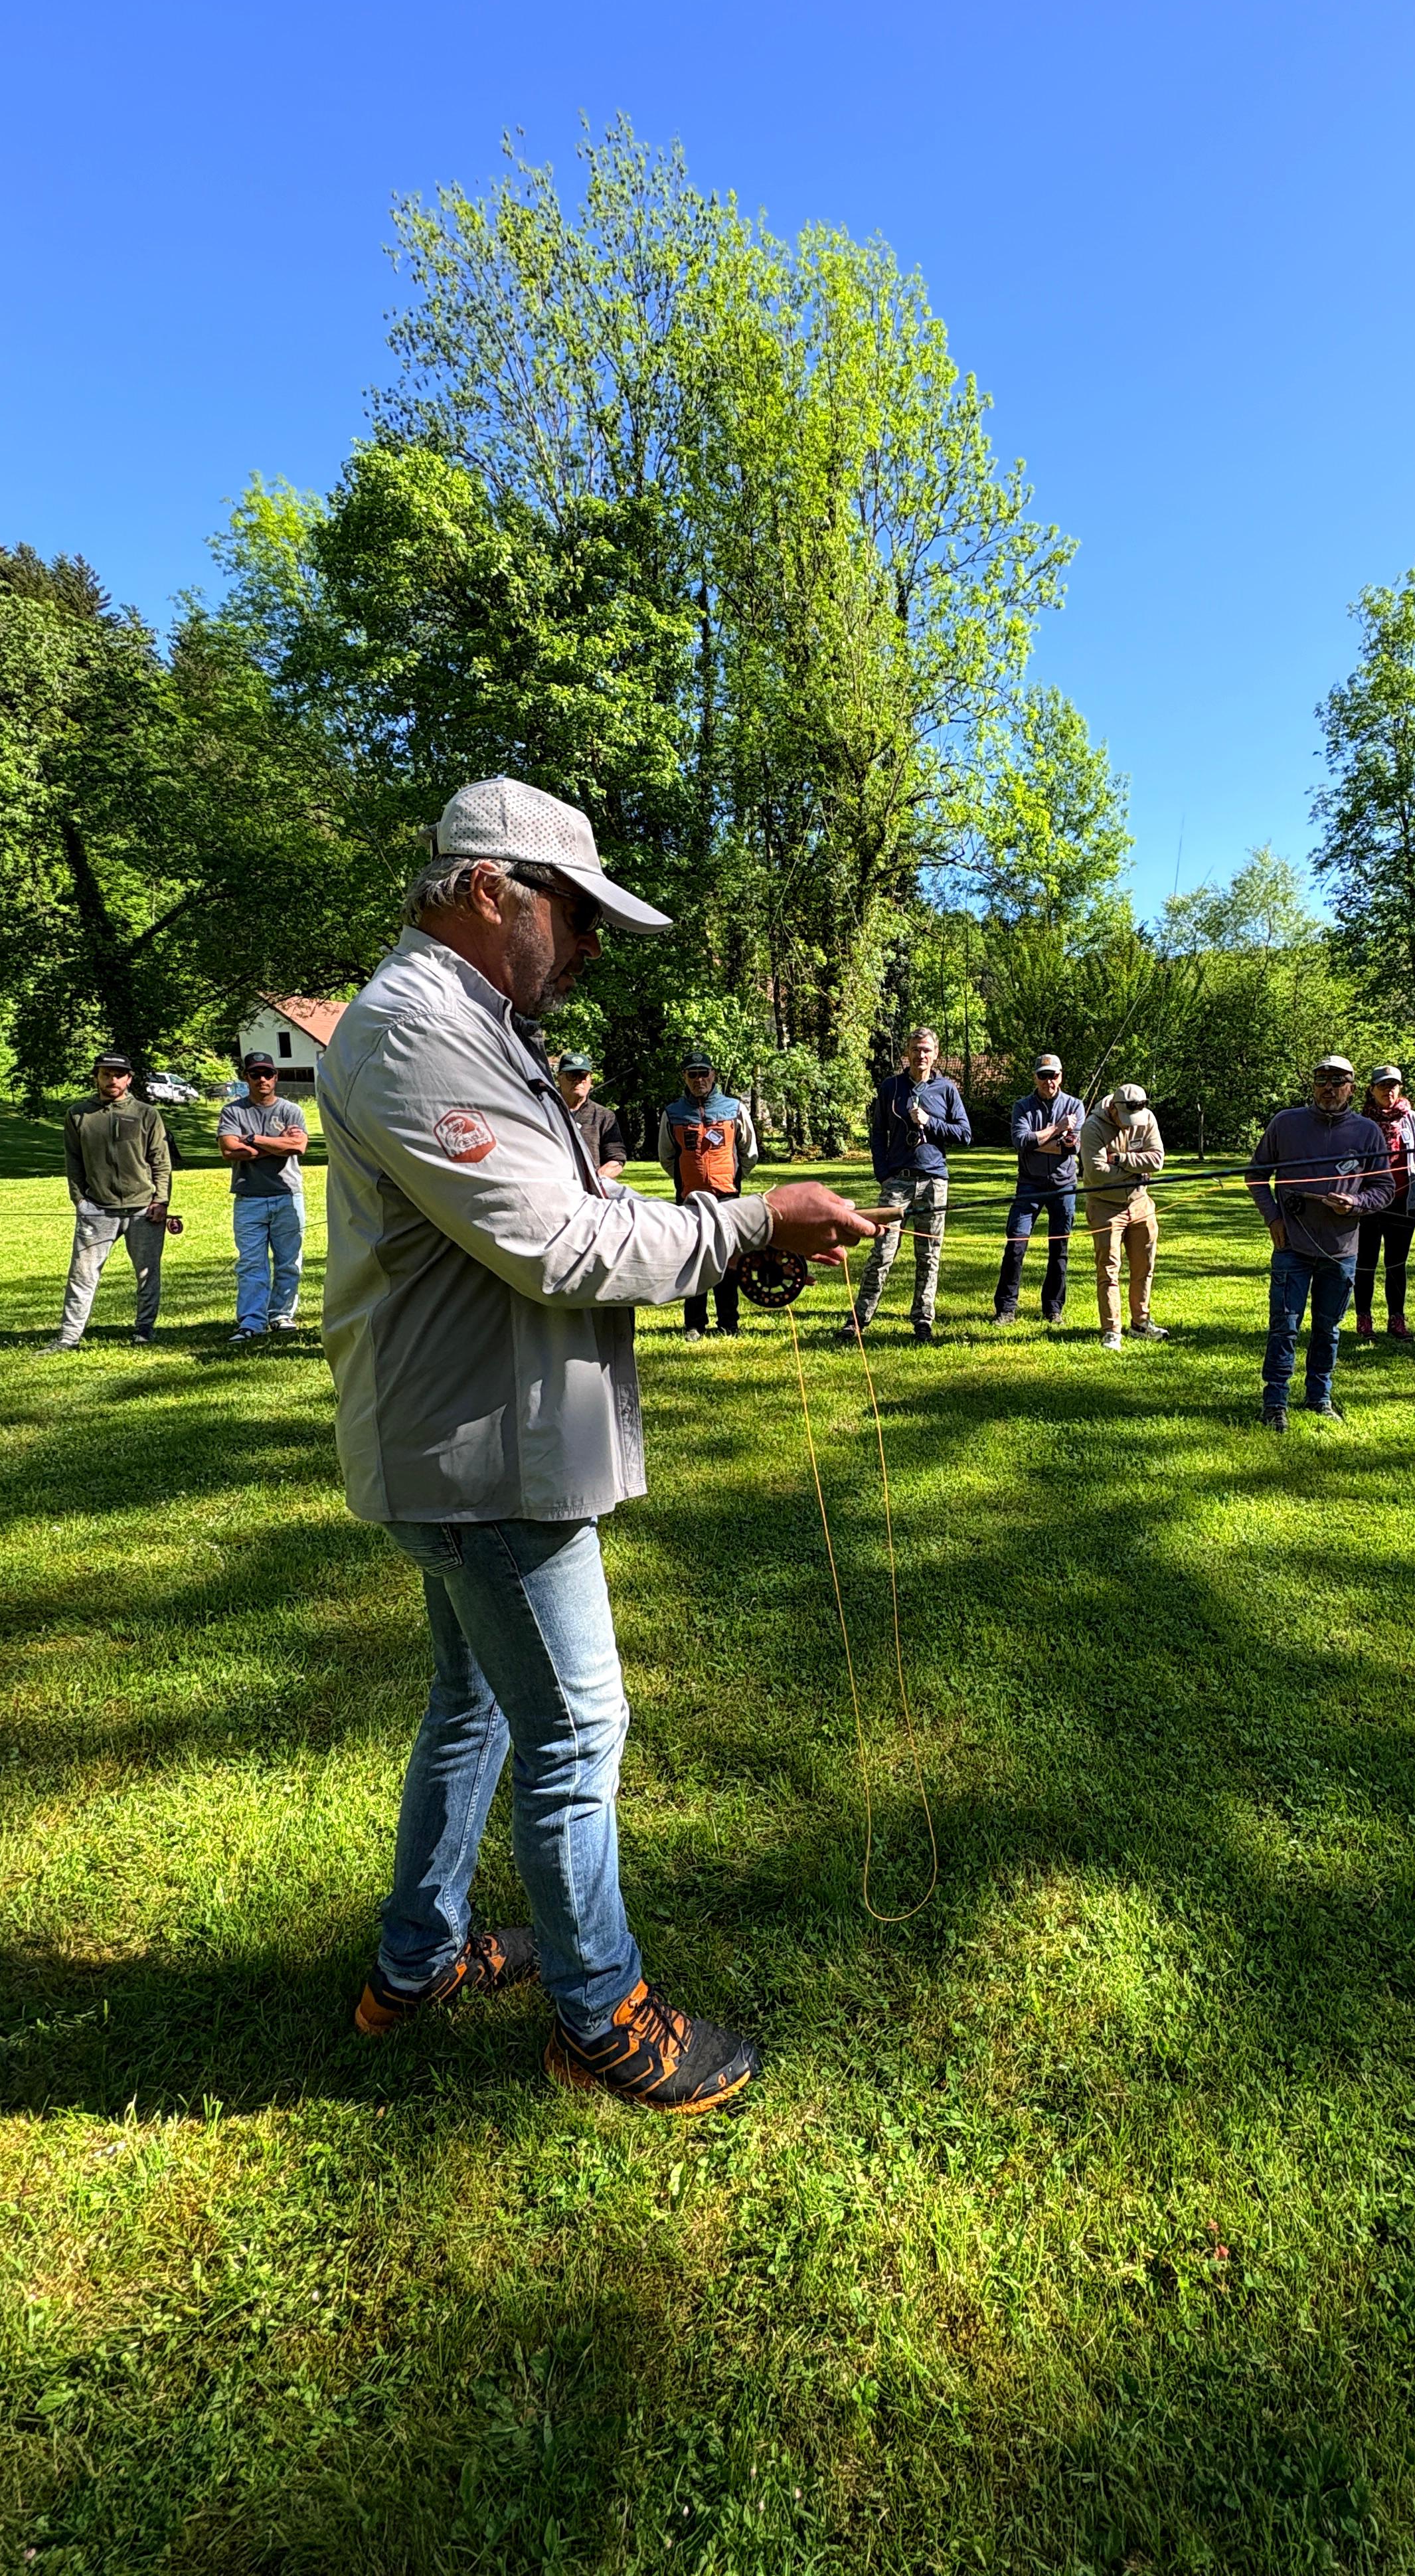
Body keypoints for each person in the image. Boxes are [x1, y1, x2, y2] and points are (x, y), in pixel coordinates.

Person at [318, 774, 874, 2115]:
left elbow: (563, 1201)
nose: (584, 950)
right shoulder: (413, 1032)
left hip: (484, 1439)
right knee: (575, 1730)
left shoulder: (472, 1026)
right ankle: (603, 2018)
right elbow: (556, 1245)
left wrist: (723, 1241)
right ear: (487, 888)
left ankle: (418, 1962)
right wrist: (744, 1229)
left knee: (476, 1707)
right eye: (574, 917)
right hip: (477, 1453)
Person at [1247, 1055, 1393, 1425]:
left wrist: (1356, 1203)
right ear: (1313, 1086)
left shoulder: (1366, 1132)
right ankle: (1275, 1404)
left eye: (1338, 1081)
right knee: (1285, 1325)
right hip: (1292, 1246)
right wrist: (1273, 1217)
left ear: (1352, 1088)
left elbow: (1384, 1188)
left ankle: (1319, 1398)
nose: (1329, 1088)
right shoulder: (1286, 1123)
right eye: (1322, 1081)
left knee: (1328, 1329)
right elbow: (1256, 1176)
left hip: (1342, 1249)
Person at [844, 1026, 971, 1344]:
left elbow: (965, 1135)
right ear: (907, 1053)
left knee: (929, 1255)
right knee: (882, 1252)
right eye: (915, 1049)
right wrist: (883, 1174)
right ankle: (859, 1319)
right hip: (897, 1182)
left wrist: (931, 1122)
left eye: (927, 1050)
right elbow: (877, 1134)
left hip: (933, 1181)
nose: (921, 1055)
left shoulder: (946, 1090)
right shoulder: (891, 1088)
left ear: (936, 1054)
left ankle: (922, 1321)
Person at [39, 1053, 173, 1352]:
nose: (112, 1080)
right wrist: (80, 1199)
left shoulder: (146, 1114)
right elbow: (72, 1160)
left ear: (129, 1079)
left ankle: (145, 1330)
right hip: (97, 1210)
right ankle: (68, 1338)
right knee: (82, 1275)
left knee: (147, 1273)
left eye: (118, 1075)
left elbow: (161, 1162)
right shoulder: (78, 1115)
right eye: (106, 1074)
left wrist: (161, 1200)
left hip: (144, 1209)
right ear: (96, 1077)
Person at [659, 1051, 759, 1341]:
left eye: (704, 1073)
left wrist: (734, 1178)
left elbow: (748, 1151)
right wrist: (686, 1181)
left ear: (713, 1075)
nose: (699, 1079)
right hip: (690, 1200)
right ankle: (694, 1324)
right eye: (693, 1074)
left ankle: (729, 1322)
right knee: (695, 1261)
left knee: (727, 1261)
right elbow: (667, 1157)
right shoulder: (673, 1113)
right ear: (685, 1078)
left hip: (727, 1197)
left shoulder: (734, 1108)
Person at [218, 1050, 310, 1342]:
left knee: (289, 1261)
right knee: (251, 1263)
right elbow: (229, 1151)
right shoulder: (233, 1111)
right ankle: (251, 1321)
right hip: (249, 1198)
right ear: (246, 1078)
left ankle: (281, 1315)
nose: (262, 1079)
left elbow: (299, 1147)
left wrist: (254, 1140)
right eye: (255, 1074)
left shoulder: (291, 1110)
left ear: (276, 1076)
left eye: (267, 1074)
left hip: (287, 1195)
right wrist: (278, 1144)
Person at [990, 1052, 1084, 1329]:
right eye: (1043, 1076)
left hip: (1064, 1186)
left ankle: (1053, 1309)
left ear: (1061, 1076)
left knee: (1060, 1249)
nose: (1049, 1081)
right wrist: (1057, 1129)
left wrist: (1040, 1139)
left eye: (1053, 1076)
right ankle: (1006, 1309)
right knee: (1016, 1246)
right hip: (1029, 1184)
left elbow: (1073, 1147)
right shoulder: (1022, 1106)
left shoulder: (1075, 1105)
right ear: (1035, 1077)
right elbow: (1021, 1141)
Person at [1080, 1082, 1165, 1349]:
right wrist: (1138, 1169)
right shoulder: (1093, 1127)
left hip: (1141, 1203)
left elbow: (1158, 1160)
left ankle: (1140, 1323)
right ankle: (1112, 1331)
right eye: (1125, 1119)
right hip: (1105, 1206)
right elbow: (1096, 1174)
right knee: (1109, 1269)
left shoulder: (1147, 1118)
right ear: (1114, 1108)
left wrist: (1119, 1160)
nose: (1131, 1125)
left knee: (1144, 1267)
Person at [1353, 1065, 1415, 1339]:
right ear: (1371, 1089)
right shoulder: (1359, 1121)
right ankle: (1364, 1319)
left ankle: (1396, 1320)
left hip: (1404, 1202)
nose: (1389, 1090)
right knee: (1365, 1262)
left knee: (1396, 1264)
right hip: (1368, 1202)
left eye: (1394, 1085)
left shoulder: (1413, 1120)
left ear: (1400, 1088)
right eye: (1383, 1085)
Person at [554, 1052, 629, 1182]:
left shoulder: (604, 1117)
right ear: (559, 1078)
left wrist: (597, 1179)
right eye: (572, 1075)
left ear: (590, 1080)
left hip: (591, 1194)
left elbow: (616, 1159)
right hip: (553, 1188)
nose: (578, 1081)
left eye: (583, 1076)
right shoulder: (544, 1112)